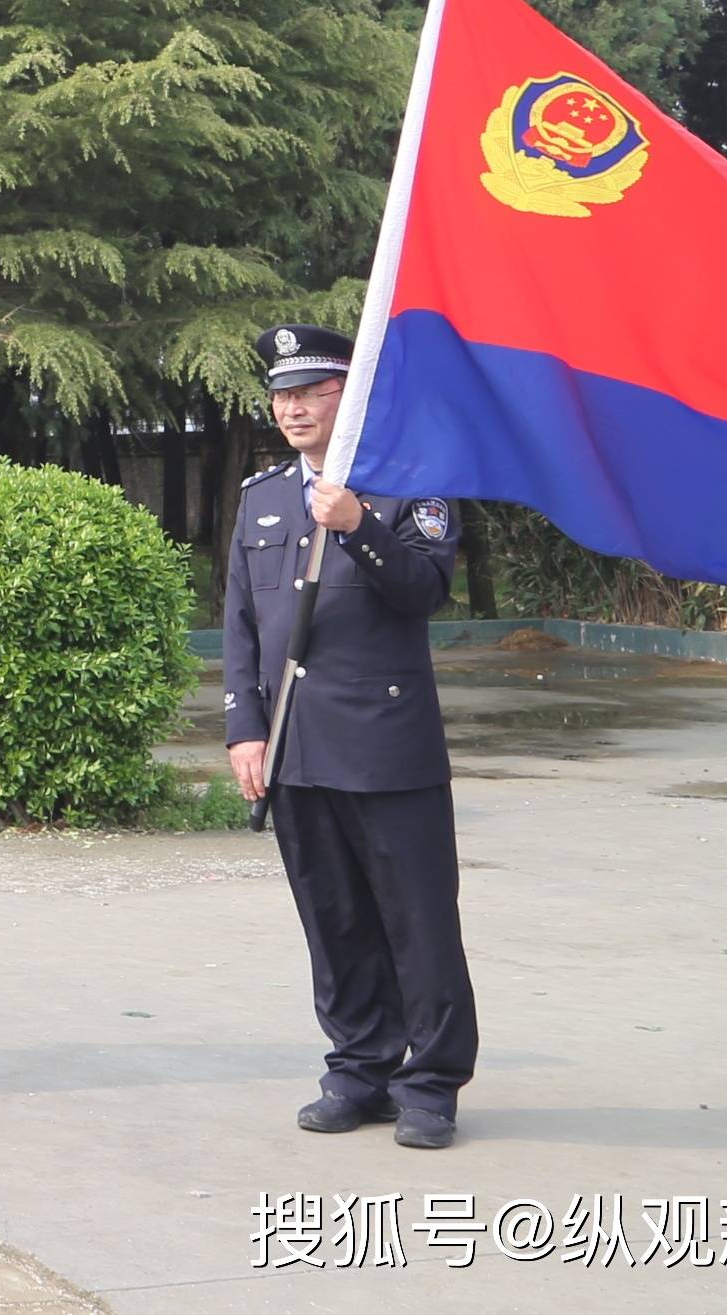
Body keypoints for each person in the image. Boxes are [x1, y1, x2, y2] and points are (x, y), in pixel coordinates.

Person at [223, 323, 476, 1151]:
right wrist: (243, 729)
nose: (292, 406)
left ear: (351, 396)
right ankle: (357, 1069)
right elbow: (238, 624)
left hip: (384, 743)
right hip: (295, 745)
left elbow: (421, 592)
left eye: (312, 391)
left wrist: (359, 522)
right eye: (281, 394)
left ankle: (429, 1084)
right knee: (332, 922)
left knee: (417, 920)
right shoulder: (261, 496)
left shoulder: (413, 484)